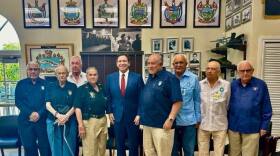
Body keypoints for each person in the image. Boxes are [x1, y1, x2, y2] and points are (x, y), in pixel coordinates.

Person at [140, 53, 182, 156]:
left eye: (153, 63)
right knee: (149, 153)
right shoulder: (150, 77)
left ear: (161, 64)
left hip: (162, 125)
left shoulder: (170, 78)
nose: (150, 66)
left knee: (163, 153)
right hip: (147, 124)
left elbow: (178, 102)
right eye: (148, 63)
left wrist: (170, 119)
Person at [228, 60, 272, 156]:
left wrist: (264, 127)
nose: (245, 73)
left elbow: (267, 107)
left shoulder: (261, 85)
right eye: (242, 70)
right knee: (234, 154)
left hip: (252, 128)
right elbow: (226, 105)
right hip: (234, 127)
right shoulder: (232, 85)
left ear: (252, 71)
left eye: (248, 70)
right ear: (237, 72)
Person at [106, 55, 144, 156]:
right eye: (120, 61)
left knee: (133, 144)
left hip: (133, 118)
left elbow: (142, 97)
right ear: (117, 64)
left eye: (124, 61)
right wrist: (109, 112)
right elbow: (108, 97)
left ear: (129, 63)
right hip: (117, 117)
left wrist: (139, 114)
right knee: (119, 145)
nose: (122, 63)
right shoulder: (110, 78)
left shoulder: (137, 77)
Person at [15, 61, 51, 156]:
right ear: (27, 71)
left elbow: (48, 102)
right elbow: (18, 102)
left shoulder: (46, 84)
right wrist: (30, 113)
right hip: (26, 121)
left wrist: (39, 113)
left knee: (45, 148)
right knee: (29, 148)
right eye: (31, 69)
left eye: (35, 69)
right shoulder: (21, 84)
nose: (33, 71)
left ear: (39, 71)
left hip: (42, 121)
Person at [198, 61, 231, 156]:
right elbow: (198, 103)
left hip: (220, 124)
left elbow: (228, 105)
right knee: (202, 153)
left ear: (219, 72)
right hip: (203, 123)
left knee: (219, 153)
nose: (209, 71)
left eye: (213, 69)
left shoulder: (226, 85)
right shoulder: (200, 85)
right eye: (208, 68)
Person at [171, 54, 201, 156]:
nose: (178, 65)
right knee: (173, 151)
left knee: (189, 150)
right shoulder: (168, 78)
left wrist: (198, 117)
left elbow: (197, 99)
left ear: (186, 64)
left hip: (189, 121)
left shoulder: (194, 78)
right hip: (172, 121)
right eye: (176, 63)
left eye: (181, 62)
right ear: (173, 65)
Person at [75, 67, 108, 156]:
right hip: (89, 122)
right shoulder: (81, 89)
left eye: (95, 74)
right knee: (90, 151)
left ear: (98, 76)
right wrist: (80, 125)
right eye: (90, 75)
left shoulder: (102, 87)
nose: (93, 77)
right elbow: (77, 108)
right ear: (86, 76)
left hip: (103, 120)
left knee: (102, 149)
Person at [46, 65, 77, 156]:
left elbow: (75, 105)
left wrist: (66, 116)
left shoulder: (73, 87)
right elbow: (47, 104)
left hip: (69, 120)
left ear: (67, 74)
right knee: (55, 147)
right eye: (59, 73)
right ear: (56, 74)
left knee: (69, 146)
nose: (61, 75)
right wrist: (58, 116)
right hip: (53, 120)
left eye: (63, 73)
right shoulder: (50, 86)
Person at [67, 55, 87, 156]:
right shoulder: (66, 79)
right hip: (71, 116)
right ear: (70, 65)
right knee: (73, 142)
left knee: (86, 142)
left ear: (81, 65)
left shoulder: (87, 77)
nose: (75, 65)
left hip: (86, 114)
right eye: (72, 63)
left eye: (77, 63)